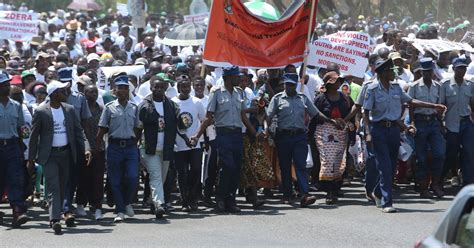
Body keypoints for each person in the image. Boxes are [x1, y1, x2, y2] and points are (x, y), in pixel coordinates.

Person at [363, 58, 446, 213]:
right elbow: (366, 112)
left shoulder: (396, 88)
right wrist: (367, 133)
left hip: (394, 130)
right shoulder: (372, 89)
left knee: (392, 166)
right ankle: (387, 202)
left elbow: (411, 101)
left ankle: (379, 192)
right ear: (382, 73)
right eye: (390, 71)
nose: (393, 73)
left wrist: (434, 106)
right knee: (385, 166)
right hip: (378, 130)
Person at [267, 73, 342, 207]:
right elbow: (268, 116)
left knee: (300, 166)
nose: (289, 87)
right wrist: (268, 131)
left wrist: (330, 121)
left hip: (299, 136)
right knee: (284, 167)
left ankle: (304, 194)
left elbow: (316, 113)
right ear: (284, 84)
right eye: (287, 84)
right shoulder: (277, 99)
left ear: (296, 85)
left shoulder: (302, 98)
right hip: (283, 137)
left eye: (292, 84)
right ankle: (287, 194)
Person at [192, 66, 260, 213]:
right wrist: (197, 135)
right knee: (227, 166)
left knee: (236, 168)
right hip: (223, 135)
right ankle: (220, 199)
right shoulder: (216, 92)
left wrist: (254, 133)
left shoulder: (239, 93)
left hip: (237, 135)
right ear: (228, 78)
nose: (239, 79)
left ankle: (231, 200)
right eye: (236, 77)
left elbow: (242, 115)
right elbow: (208, 117)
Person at [28, 80, 88, 234]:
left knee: (62, 186)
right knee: (54, 186)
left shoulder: (69, 109)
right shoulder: (41, 111)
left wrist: (86, 149)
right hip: (49, 155)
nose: (66, 93)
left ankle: (58, 213)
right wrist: (31, 158)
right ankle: (54, 219)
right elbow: (34, 136)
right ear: (54, 94)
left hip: (66, 154)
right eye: (62, 91)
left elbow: (78, 131)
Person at [96, 74, 140, 223]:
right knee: (115, 180)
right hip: (114, 146)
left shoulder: (134, 107)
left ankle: (127, 201)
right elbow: (102, 128)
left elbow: (138, 128)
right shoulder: (109, 108)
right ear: (114, 91)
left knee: (133, 177)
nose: (122, 90)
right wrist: (97, 146)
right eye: (119, 88)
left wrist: (135, 142)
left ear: (128, 90)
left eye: (125, 88)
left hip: (130, 147)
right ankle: (120, 209)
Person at [137, 73, 181, 219]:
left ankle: (151, 200)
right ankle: (159, 205)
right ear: (151, 88)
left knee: (161, 178)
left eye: (162, 87)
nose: (159, 90)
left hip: (166, 148)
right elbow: (140, 124)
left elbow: (179, 124)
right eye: (156, 87)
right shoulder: (145, 105)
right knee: (156, 176)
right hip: (150, 148)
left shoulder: (170, 105)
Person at [313, 72, 355, 204]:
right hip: (325, 132)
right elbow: (315, 114)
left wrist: (347, 125)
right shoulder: (321, 98)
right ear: (329, 84)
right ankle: (329, 191)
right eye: (336, 81)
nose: (339, 83)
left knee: (338, 160)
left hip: (341, 132)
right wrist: (330, 121)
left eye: (339, 81)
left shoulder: (345, 98)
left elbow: (353, 112)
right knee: (328, 160)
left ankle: (336, 187)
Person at [407, 58, 445, 198]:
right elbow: (411, 105)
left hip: (434, 122)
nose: (428, 74)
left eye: (430, 71)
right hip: (420, 122)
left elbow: (439, 106)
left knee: (440, 154)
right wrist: (411, 123)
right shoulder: (415, 86)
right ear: (421, 72)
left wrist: (441, 124)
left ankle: (435, 184)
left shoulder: (438, 86)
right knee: (421, 157)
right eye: (425, 71)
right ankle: (423, 187)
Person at [0, 70, 31, 228]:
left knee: (15, 179)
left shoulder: (17, 106)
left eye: (8, 84)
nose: (7, 87)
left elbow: (21, 129)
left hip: (12, 146)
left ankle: (18, 211)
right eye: (4, 84)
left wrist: (22, 148)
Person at [172, 75, 206, 212]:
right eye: (182, 87)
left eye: (187, 86)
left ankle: (192, 196)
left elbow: (204, 120)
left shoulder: (197, 102)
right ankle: (185, 200)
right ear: (178, 88)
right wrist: (184, 137)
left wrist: (196, 137)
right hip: (179, 145)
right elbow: (173, 124)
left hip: (195, 144)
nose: (185, 89)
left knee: (196, 169)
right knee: (182, 173)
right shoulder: (172, 102)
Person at [440, 57, 474, 187]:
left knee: (469, 153)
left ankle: (468, 183)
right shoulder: (445, 84)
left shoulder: (470, 84)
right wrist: (441, 124)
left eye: (464, 68)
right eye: (459, 68)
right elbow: (441, 105)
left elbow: (472, 104)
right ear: (454, 69)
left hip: (466, 122)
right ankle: (440, 180)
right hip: (451, 123)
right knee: (451, 154)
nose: (462, 71)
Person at [75, 84, 106, 220]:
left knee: (98, 179)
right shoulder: (80, 109)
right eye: (89, 92)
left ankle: (97, 206)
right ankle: (81, 204)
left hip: (100, 148)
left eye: (95, 92)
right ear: (84, 94)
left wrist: (98, 145)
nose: (92, 94)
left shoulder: (101, 109)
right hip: (84, 149)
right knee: (84, 178)